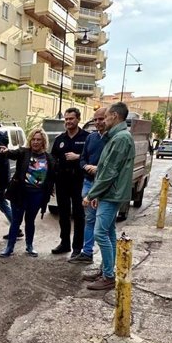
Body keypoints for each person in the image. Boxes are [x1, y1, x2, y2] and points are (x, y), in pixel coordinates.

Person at [83, 102, 135, 291]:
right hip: (110, 192)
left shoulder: (120, 138)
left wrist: (92, 193)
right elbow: (107, 169)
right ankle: (107, 269)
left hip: (112, 193)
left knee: (100, 233)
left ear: (114, 115)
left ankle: (108, 276)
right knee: (109, 232)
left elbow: (109, 171)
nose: (103, 121)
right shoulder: (117, 137)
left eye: (105, 117)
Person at [0, 128, 56, 257]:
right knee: (16, 221)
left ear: (43, 142)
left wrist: (49, 188)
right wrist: (5, 151)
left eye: (38, 140)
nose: (35, 142)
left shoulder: (49, 158)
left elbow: (52, 176)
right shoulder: (24, 153)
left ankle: (29, 246)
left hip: (37, 195)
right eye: (33, 139)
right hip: (20, 193)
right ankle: (9, 247)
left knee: (30, 221)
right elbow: (12, 153)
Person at [69, 106, 108, 264]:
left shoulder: (114, 138)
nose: (98, 122)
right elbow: (83, 158)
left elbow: (114, 165)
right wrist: (85, 166)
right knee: (89, 220)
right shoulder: (91, 138)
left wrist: (98, 169)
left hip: (104, 185)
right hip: (88, 182)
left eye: (101, 119)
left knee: (104, 225)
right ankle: (87, 252)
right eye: (96, 119)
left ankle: (107, 265)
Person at [50, 107, 89, 258]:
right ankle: (64, 243)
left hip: (79, 181)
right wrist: (52, 183)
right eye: (66, 119)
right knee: (64, 214)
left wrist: (77, 157)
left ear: (78, 119)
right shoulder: (60, 139)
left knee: (79, 215)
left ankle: (77, 247)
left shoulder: (87, 137)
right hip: (62, 182)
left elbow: (92, 158)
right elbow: (53, 161)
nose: (68, 122)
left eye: (71, 119)